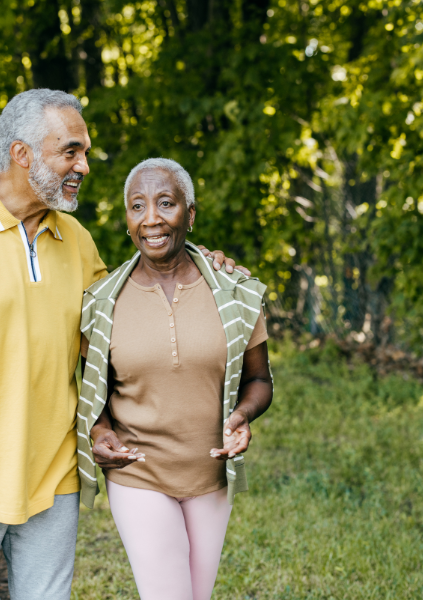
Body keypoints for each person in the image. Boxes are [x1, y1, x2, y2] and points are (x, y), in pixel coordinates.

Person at [0, 90, 242, 600]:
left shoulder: (77, 240)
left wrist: (206, 268)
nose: (84, 166)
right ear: (22, 154)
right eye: (70, 151)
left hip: (54, 479)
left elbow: (109, 340)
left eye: (84, 152)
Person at [76, 158, 274, 600]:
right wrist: (100, 428)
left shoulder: (236, 292)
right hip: (138, 474)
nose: (151, 219)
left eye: (166, 203)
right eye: (137, 206)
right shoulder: (102, 302)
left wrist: (242, 415)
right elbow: (94, 395)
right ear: (127, 219)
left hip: (210, 475)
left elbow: (260, 380)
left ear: (190, 213)